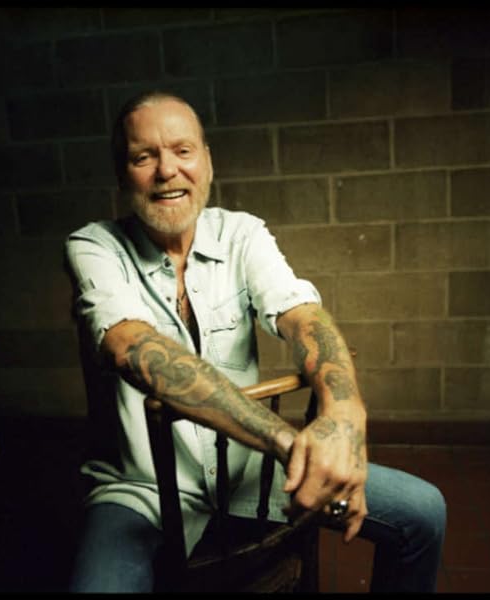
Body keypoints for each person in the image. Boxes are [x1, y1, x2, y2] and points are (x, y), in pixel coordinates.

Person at [64, 90, 446, 593]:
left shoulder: (241, 234)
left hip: (249, 476)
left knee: (424, 513)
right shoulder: (93, 245)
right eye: (144, 157)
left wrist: (345, 417)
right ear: (122, 174)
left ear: (207, 162)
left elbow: (303, 317)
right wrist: (289, 443)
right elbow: (131, 345)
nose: (167, 170)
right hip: (143, 490)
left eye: (182, 150)